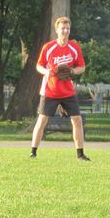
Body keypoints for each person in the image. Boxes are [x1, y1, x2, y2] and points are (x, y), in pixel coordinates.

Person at [30, 16, 91, 161]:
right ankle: (33, 151)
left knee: (77, 119)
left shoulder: (74, 47)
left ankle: (80, 154)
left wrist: (71, 71)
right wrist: (47, 72)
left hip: (67, 91)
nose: (65, 31)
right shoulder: (48, 47)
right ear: (57, 30)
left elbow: (81, 67)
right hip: (50, 90)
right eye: (63, 28)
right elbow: (39, 65)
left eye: (68, 28)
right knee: (42, 120)